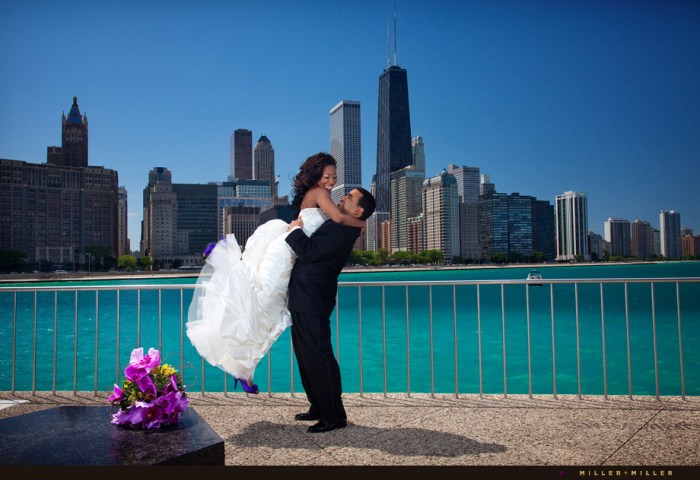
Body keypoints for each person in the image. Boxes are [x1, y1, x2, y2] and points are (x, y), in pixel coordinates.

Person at [186, 152, 365, 394]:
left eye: (334, 176)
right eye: (327, 176)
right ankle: (242, 364)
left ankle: (243, 366)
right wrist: (362, 223)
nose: (332, 181)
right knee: (263, 300)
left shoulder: (317, 195)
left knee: (265, 306)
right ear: (316, 176)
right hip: (287, 250)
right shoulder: (321, 194)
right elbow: (337, 218)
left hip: (291, 249)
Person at [285, 187, 376, 433]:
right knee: (306, 356)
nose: (343, 196)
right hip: (304, 296)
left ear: (358, 210)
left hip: (313, 298)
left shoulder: (344, 229)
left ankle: (334, 415)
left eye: (350, 197)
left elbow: (309, 252)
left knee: (319, 357)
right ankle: (319, 406)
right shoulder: (340, 222)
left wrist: (294, 231)